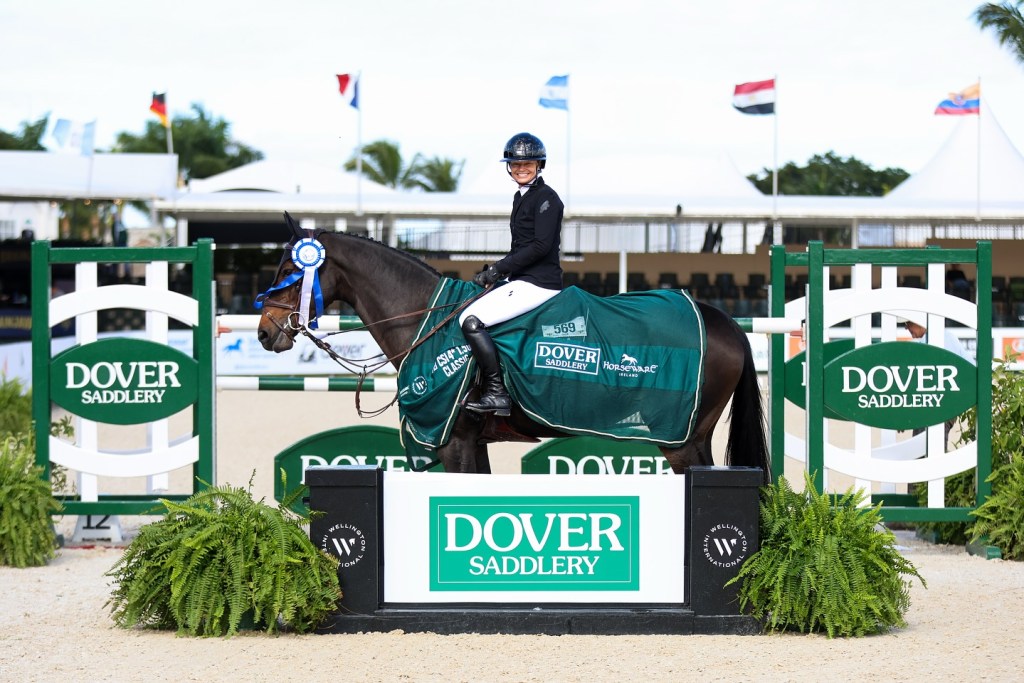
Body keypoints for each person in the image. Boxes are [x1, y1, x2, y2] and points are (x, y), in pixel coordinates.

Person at [458, 132, 565, 416]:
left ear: (539, 164)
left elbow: (540, 246)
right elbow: (520, 246)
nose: (520, 168)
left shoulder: (547, 199)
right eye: (515, 164)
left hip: (540, 283)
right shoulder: (521, 197)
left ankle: (496, 393)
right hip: (522, 279)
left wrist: (499, 268)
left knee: (471, 321)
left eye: (527, 164)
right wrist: (498, 274)